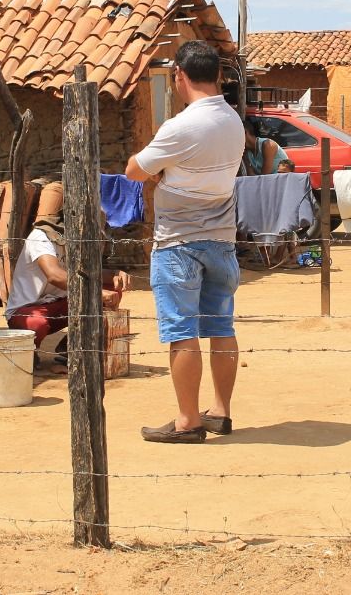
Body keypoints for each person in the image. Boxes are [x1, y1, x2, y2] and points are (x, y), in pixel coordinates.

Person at [125, 40, 245, 443]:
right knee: (221, 327)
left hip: (178, 244)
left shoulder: (181, 126)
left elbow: (134, 171)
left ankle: (188, 420)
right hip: (222, 241)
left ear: (179, 75)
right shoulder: (233, 120)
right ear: (219, 76)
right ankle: (221, 412)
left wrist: (163, 176)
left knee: (181, 331)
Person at [4, 183, 131, 361]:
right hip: (29, 309)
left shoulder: (80, 243)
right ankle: (27, 356)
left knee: (112, 285)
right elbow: (54, 275)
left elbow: (91, 272)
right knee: (36, 323)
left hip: (63, 304)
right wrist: (95, 293)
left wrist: (116, 273)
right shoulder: (41, 236)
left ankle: (70, 351)